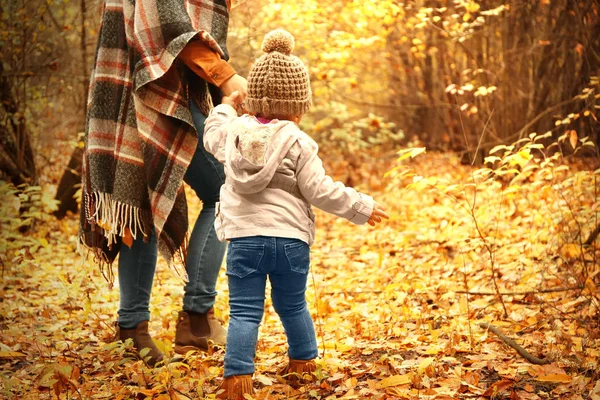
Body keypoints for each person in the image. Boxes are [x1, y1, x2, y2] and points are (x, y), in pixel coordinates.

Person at [202, 29, 390, 399]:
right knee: (293, 305)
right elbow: (319, 190)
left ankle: (237, 382)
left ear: (252, 100)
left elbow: (212, 132)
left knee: (243, 312)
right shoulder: (299, 142)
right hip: (289, 241)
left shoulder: (233, 134)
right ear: (298, 105)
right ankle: (303, 366)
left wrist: (226, 104)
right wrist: (361, 206)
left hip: (244, 239)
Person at [79, 0, 247, 367]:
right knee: (165, 197)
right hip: (140, 90)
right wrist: (225, 75)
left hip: (176, 91)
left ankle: (182, 322)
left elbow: (185, 26)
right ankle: (150, 327)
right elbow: (164, 25)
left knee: (204, 194)